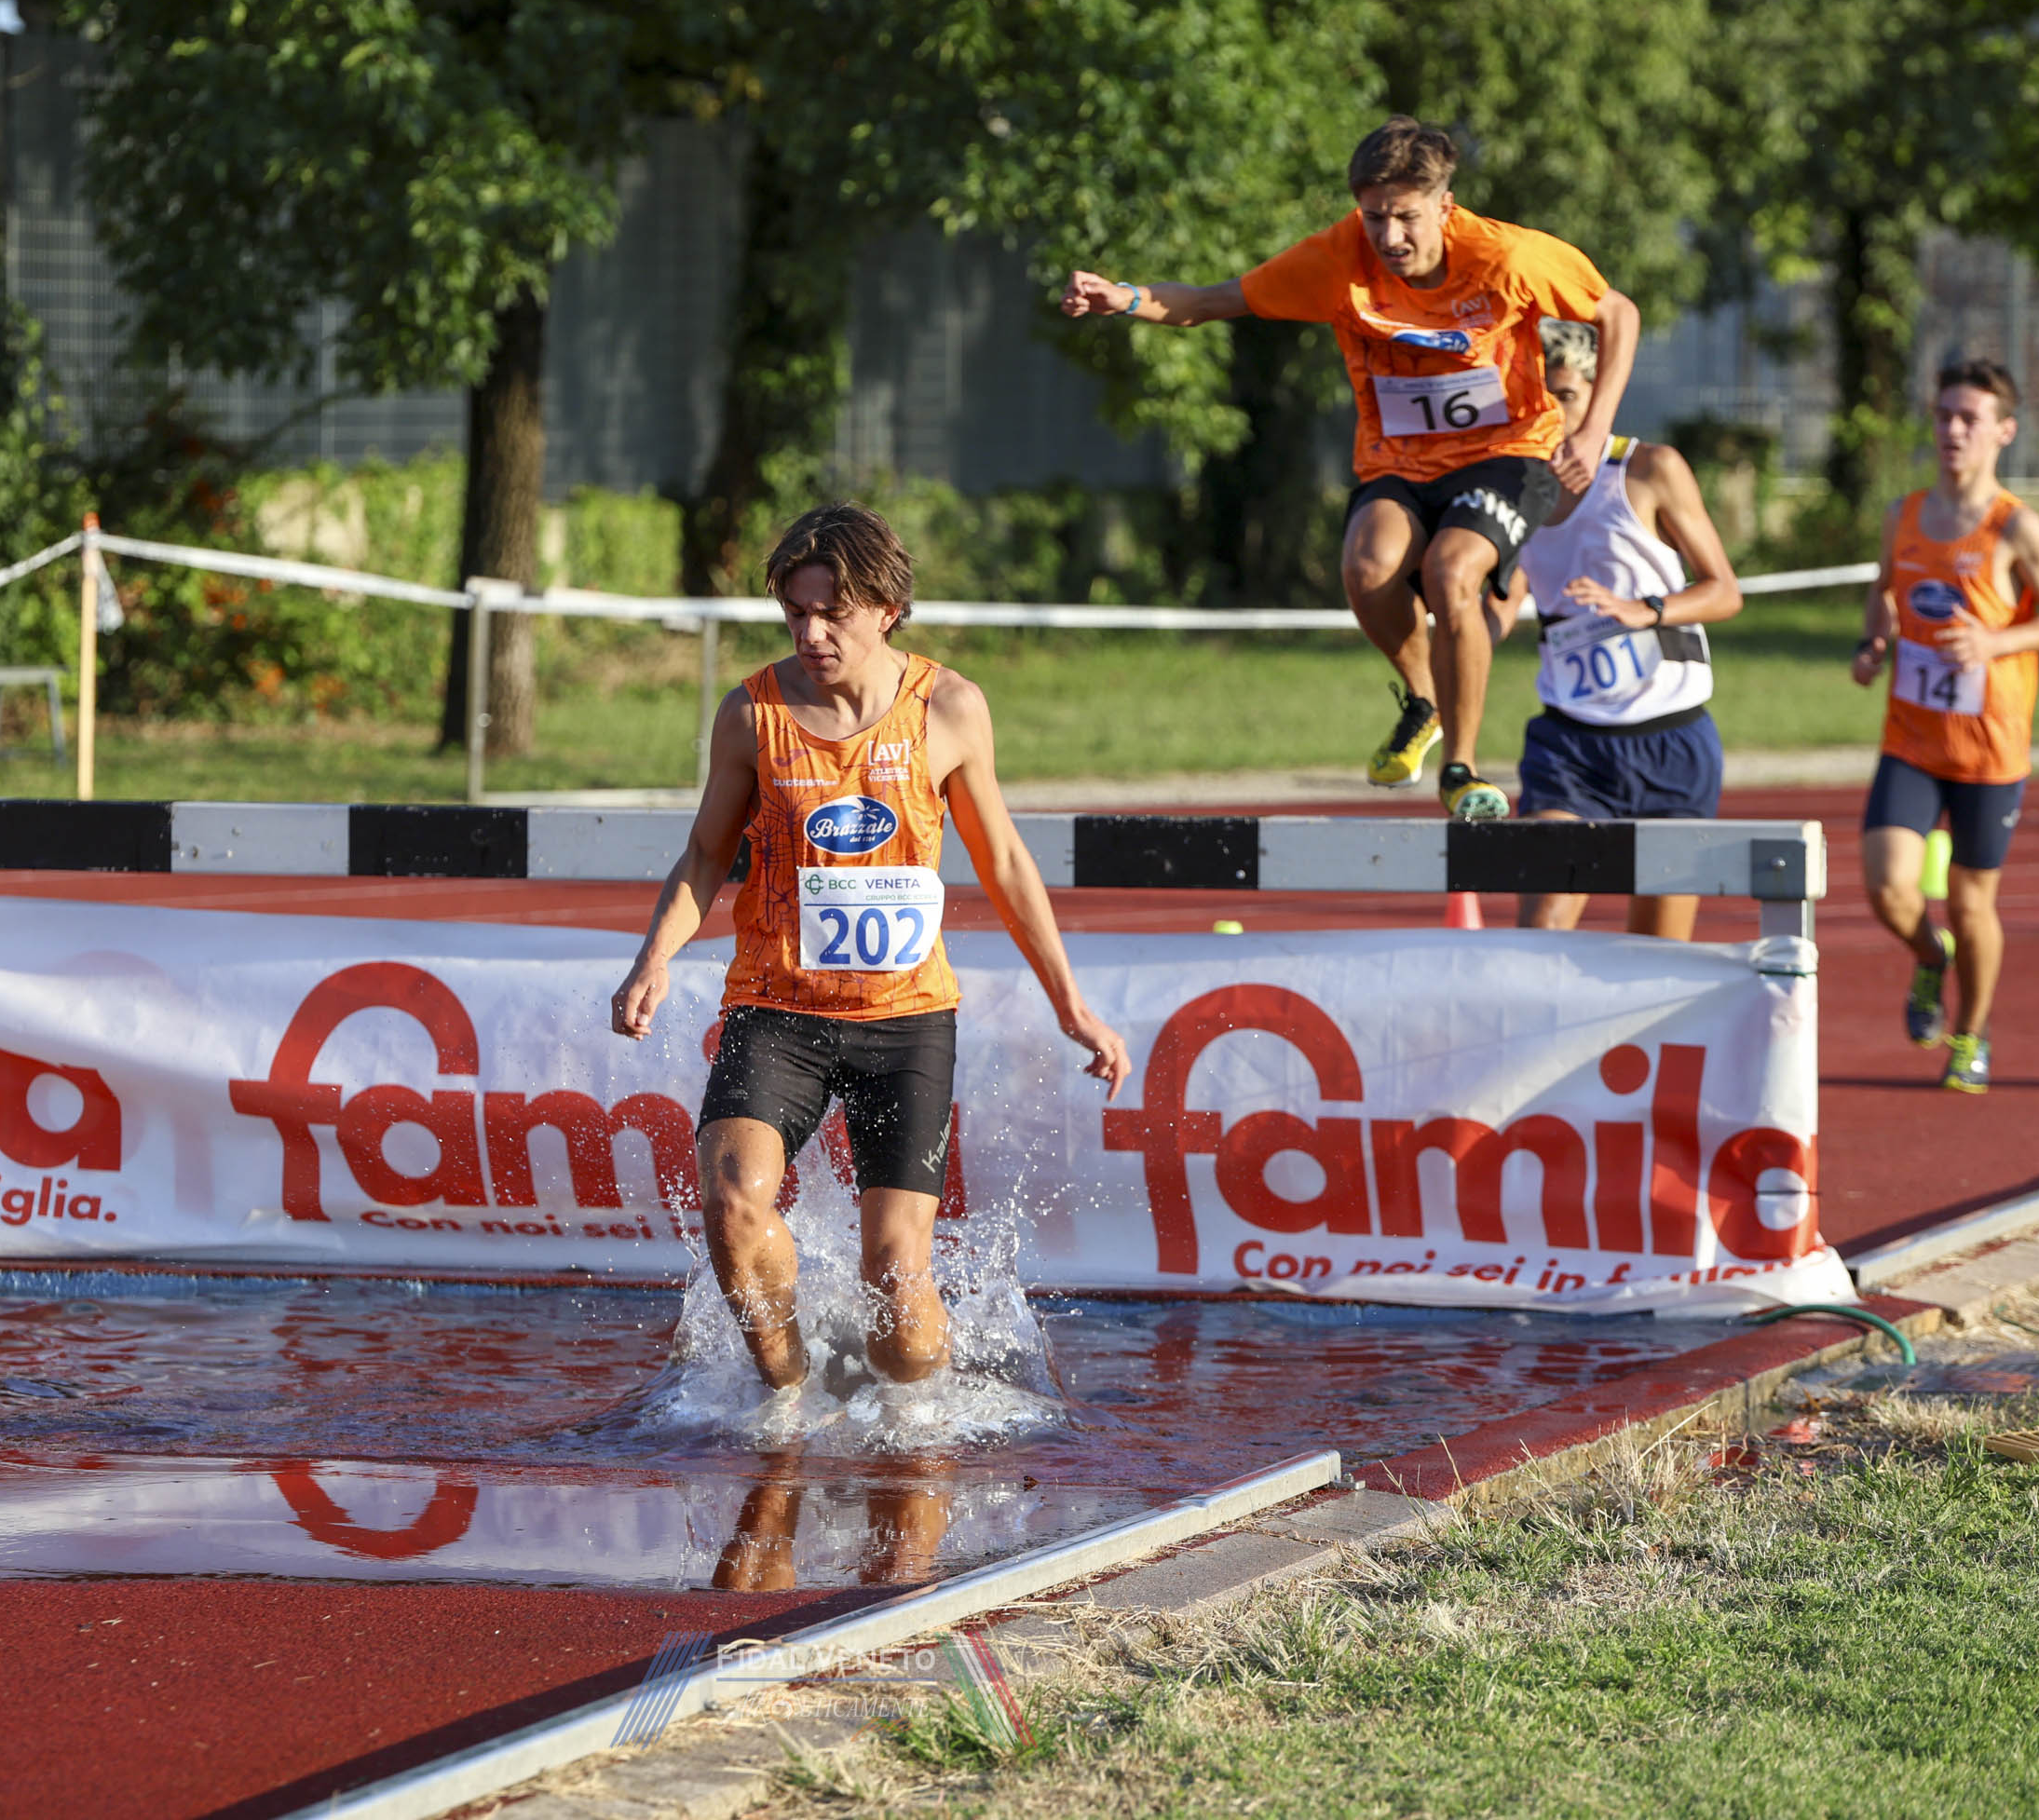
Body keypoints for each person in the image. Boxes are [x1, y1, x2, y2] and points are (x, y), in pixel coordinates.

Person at [610, 502, 1132, 1403]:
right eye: (795, 613)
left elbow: (1006, 864)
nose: (810, 634)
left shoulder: (950, 708)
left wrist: (1072, 1006)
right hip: (776, 1010)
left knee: (898, 1294)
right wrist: (653, 957)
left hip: (906, 1022)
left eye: (832, 614)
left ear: (887, 609)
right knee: (732, 1208)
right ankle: (785, 1398)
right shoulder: (752, 715)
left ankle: (926, 1405)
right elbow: (703, 854)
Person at [1059, 115, 1642, 821]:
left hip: (1508, 450)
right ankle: (1424, 700)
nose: (1390, 237)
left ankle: (1460, 768)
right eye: (1374, 217)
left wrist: (1596, 428)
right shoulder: (1337, 260)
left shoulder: (1508, 257)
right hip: (1398, 458)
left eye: (1406, 218)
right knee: (1367, 568)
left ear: (1445, 207)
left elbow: (1618, 313)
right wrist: (1123, 298)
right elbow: (1213, 301)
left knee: (1452, 571)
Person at [1851, 360, 2039, 1095]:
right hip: (1912, 740)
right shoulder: (1905, 513)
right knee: (1888, 888)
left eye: (1969, 419)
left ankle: (1971, 1035)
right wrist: (1874, 643)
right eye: (1944, 415)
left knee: (1971, 902)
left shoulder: (2015, 525)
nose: (1952, 430)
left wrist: (1993, 642)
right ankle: (1930, 957)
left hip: (1990, 749)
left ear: (2003, 432)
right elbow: (1884, 591)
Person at [1485, 320, 1744, 938]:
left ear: (1600, 393)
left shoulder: (1649, 469)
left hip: (1671, 741)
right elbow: (1499, 606)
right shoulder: (1514, 488)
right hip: (1569, 747)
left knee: (1657, 954)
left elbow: (1724, 592)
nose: (1551, 412)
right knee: (1541, 932)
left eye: (1567, 395)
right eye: (1538, 396)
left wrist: (1644, 610)